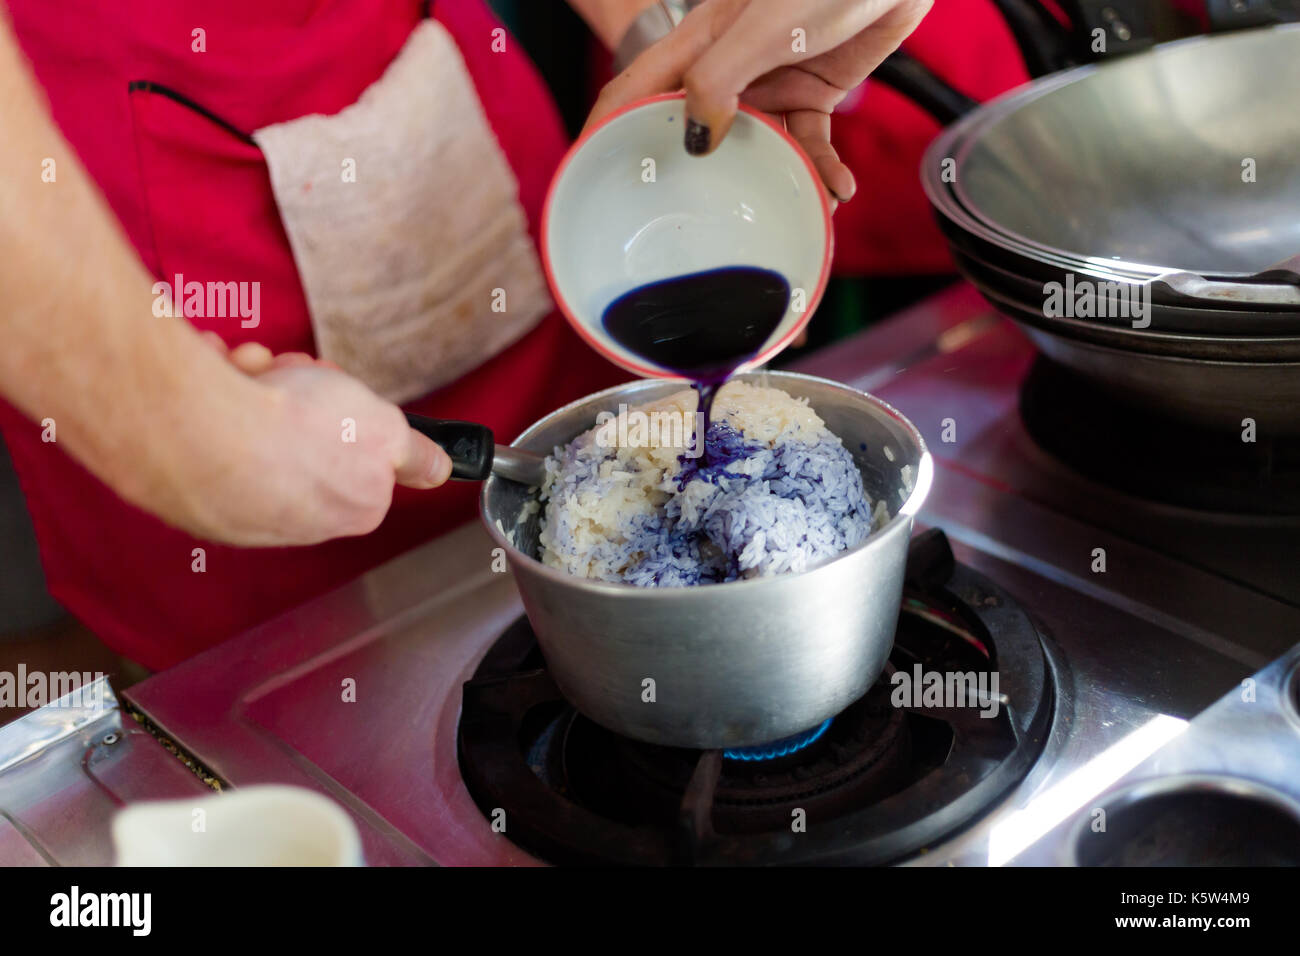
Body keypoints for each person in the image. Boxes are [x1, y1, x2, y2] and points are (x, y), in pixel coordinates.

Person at [0, 0, 931, 669]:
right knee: (262, 678)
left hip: (426, 102)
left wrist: (669, 34)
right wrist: (176, 423)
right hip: (114, 198)